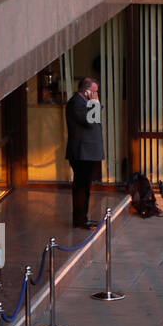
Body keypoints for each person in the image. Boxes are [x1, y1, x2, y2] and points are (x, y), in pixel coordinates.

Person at [64, 77, 105, 229]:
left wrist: (95, 103)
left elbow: (96, 116)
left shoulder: (86, 102)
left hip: (89, 152)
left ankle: (84, 217)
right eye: (94, 91)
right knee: (81, 186)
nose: (96, 95)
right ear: (85, 90)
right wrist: (94, 103)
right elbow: (89, 121)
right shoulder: (76, 103)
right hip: (81, 153)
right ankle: (80, 219)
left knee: (86, 186)